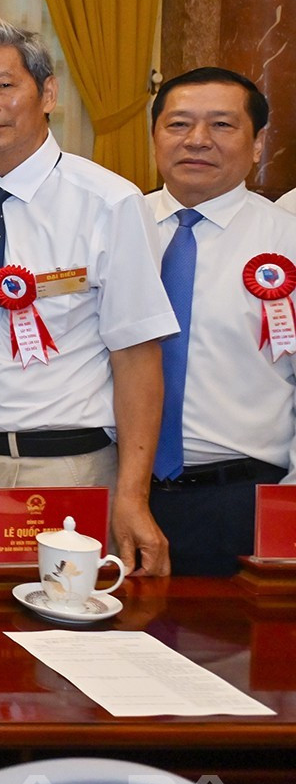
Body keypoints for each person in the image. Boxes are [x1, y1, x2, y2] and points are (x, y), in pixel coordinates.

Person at [0, 22, 175, 575]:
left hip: (63, 471)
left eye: (4, 86)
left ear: (48, 94)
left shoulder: (110, 202)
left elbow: (137, 355)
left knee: (58, 623)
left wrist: (132, 495)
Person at [146, 68, 296, 576]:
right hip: (120, 490)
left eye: (222, 125)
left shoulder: (287, 240)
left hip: (245, 499)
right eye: (178, 124)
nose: (197, 140)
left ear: (258, 144)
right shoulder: (114, 227)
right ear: (154, 136)